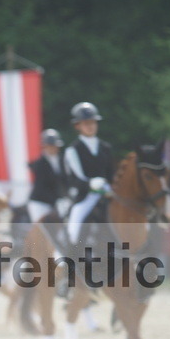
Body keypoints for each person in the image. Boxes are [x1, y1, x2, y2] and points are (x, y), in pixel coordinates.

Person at [63, 102, 115, 245]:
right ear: (77, 126)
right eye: (86, 123)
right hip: (85, 197)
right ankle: (68, 260)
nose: (90, 126)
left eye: (93, 122)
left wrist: (110, 187)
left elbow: (111, 174)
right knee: (74, 227)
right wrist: (90, 183)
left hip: (106, 194)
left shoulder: (105, 147)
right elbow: (74, 179)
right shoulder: (73, 150)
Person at [27, 128, 67, 223]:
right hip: (40, 203)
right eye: (50, 146)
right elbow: (41, 188)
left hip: (57, 202)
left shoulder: (63, 161)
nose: (53, 148)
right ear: (44, 147)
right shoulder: (40, 164)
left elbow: (65, 181)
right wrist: (57, 199)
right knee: (41, 229)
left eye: (54, 146)